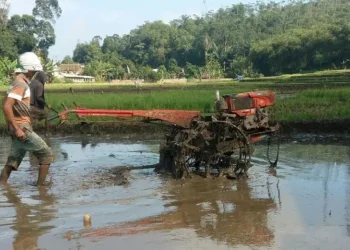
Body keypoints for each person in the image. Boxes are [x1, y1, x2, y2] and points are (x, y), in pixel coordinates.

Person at [0, 52, 55, 186]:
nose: (35, 73)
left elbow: (4, 102)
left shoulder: (18, 83)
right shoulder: (21, 84)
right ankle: (41, 189)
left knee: (13, 161)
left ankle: (2, 187)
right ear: (29, 69)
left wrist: (11, 126)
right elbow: (7, 106)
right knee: (47, 155)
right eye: (34, 70)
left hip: (19, 127)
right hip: (22, 128)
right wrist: (17, 128)